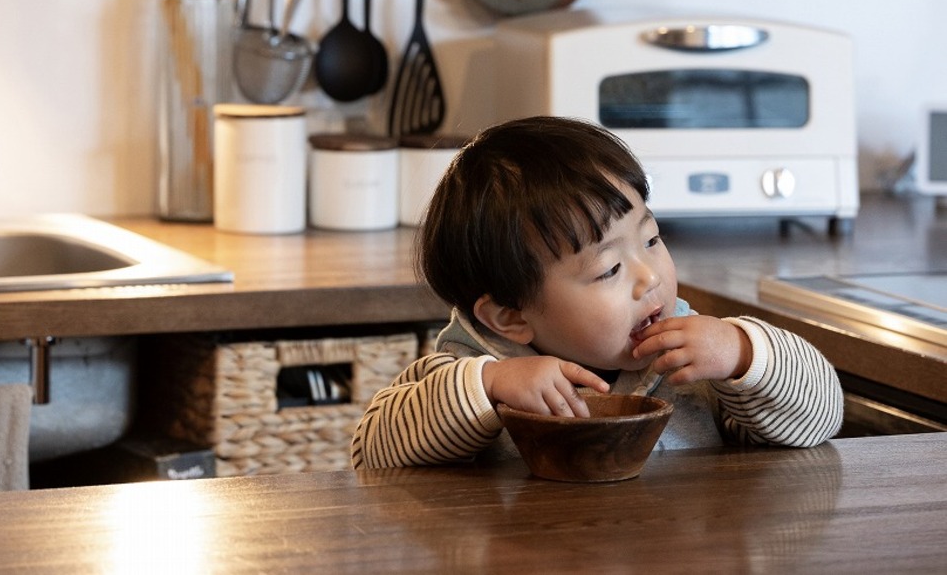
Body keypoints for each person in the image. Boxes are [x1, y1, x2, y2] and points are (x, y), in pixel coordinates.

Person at [352, 115, 843, 468]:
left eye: (651, 240)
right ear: (510, 317)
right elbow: (371, 450)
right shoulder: (472, 369)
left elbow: (824, 417)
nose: (649, 277)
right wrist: (490, 386)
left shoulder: (699, 363)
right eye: (608, 270)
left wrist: (743, 353)